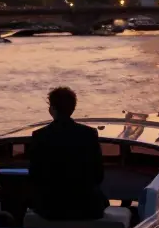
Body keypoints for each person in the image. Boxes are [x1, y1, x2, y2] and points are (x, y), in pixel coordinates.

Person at [28, 87, 107, 220]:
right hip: (87, 207)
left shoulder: (39, 136)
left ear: (52, 109)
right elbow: (99, 175)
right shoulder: (89, 134)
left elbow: (34, 175)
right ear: (73, 108)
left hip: (50, 209)